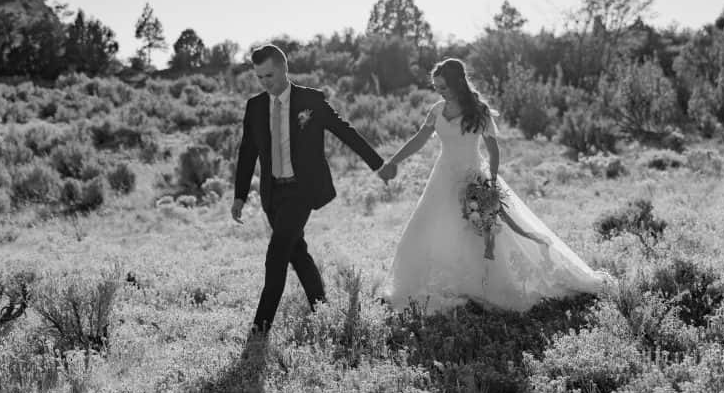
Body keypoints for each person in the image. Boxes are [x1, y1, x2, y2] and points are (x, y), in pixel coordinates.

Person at [379, 58, 611, 312]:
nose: (440, 92)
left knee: (481, 231)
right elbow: (419, 139)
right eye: (436, 87)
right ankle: (436, 284)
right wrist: (393, 161)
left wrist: (490, 182)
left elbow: (493, 150)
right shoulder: (437, 110)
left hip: (473, 176)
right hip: (443, 176)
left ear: (457, 83)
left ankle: (485, 284)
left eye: (443, 86)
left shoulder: (480, 110)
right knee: (427, 226)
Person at [232, 44, 393, 336]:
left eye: (269, 75)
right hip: (272, 194)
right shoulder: (255, 106)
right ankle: (321, 306)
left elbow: (345, 131)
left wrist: (378, 165)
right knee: (297, 251)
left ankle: (259, 329)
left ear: (284, 69)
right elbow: (247, 153)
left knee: (277, 252)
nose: (265, 83)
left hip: (301, 191)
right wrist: (239, 196)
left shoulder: (311, 100)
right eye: (259, 78)